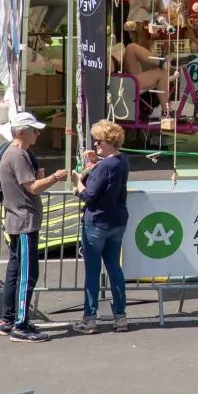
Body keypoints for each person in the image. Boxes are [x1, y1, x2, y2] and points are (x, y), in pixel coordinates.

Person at [0, 109, 70, 341]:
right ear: (22, 132)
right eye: (34, 131)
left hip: (18, 220)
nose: (37, 135)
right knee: (27, 275)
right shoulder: (18, 155)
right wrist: (55, 178)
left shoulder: (14, 153)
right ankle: (20, 324)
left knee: (16, 272)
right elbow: (33, 188)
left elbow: (29, 183)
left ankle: (9, 320)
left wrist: (39, 177)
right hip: (24, 222)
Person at [73, 120, 131, 334]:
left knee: (93, 271)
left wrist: (78, 181)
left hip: (97, 222)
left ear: (111, 142)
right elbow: (106, 173)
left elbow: (88, 194)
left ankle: (90, 319)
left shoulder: (105, 166)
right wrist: (94, 163)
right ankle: (121, 317)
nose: (96, 144)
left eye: (99, 141)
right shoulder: (122, 160)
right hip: (118, 221)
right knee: (114, 268)